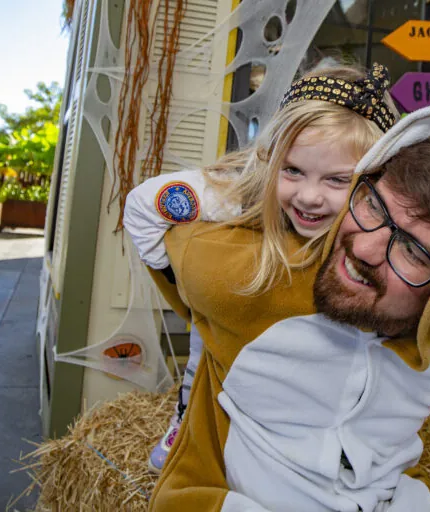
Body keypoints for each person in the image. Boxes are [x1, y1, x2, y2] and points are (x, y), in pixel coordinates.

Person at [144, 105, 430, 511]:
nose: (363, 250)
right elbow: (150, 208)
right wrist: (250, 188)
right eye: (373, 205)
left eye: (413, 252)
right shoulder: (248, 278)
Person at [124, 62, 401, 473]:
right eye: (292, 171)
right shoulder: (235, 193)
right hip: (230, 347)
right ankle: (187, 415)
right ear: (271, 158)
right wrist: (182, 288)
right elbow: (145, 205)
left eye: (337, 180)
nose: (309, 196)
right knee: (208, 342)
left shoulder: (386, 218)